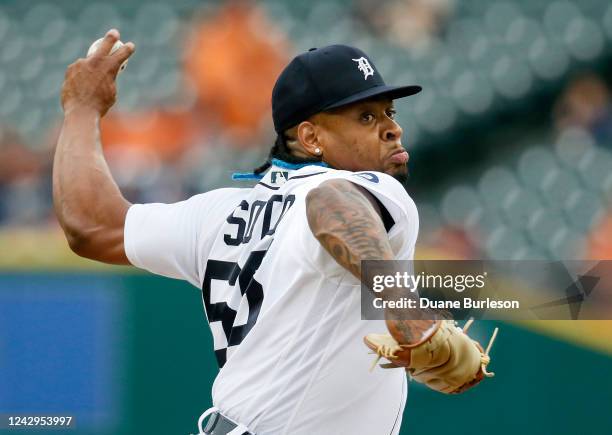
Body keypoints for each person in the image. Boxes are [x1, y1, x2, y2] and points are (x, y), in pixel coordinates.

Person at [55, 29, 488, 435]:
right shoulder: (364, 188)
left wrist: (80, 110)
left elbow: (93, 225)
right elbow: (329, 203)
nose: (392, 127)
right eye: (366, 116)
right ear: (310, 136)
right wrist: (404, 307)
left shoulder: (219, 213)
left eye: (389, 112)